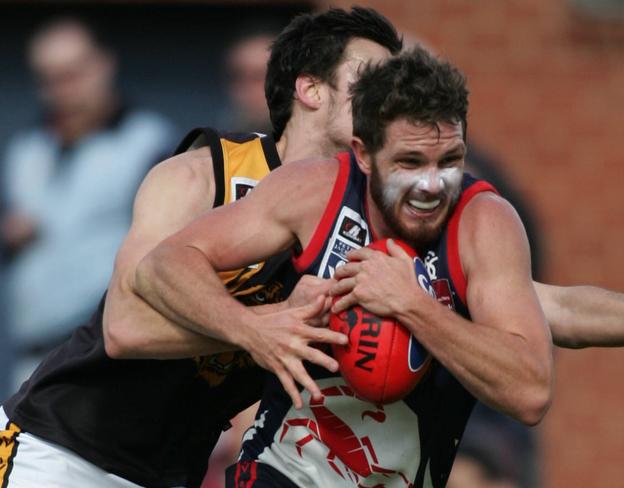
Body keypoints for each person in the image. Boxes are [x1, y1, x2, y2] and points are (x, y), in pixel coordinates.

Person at [0, 7, 403, 488]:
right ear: (311, 89)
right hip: (62, 448)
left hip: (173, 472)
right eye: (372, 78)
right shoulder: (204, 170)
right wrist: (259, 328)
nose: (389, 98)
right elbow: (125, 329)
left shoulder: (369, 217)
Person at [134, 47, 554, 488]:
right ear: (364, 153)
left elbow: (530, 392)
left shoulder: (484, 222)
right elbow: (162, 265)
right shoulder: (314, 190)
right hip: (282, 469)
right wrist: (253, 328)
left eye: (449, 161)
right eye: (410, 162)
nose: (432, 185)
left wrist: (413, 305)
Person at [0, 17, 176, 388]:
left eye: (73, 73)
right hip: (33, 359)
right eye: (49, 78)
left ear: (103, 65)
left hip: (106, 359)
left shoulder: (148, 143)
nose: (61, 89)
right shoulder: (26, 151)